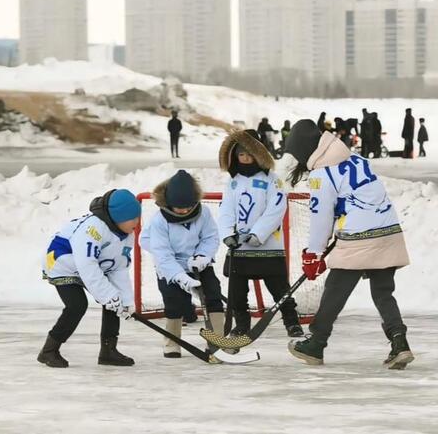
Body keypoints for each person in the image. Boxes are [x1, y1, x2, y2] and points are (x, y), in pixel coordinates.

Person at [283, 119, 414, 369]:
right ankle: (400, 342)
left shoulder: (322, 174)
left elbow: (321, 216)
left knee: (335, 291)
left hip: (358, 237)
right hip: (388, 231)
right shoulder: (356, 159)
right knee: (383, 293)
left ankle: (316, 344)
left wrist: (313, 253)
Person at [39, 189, 142, 368]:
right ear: (118, 218)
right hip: (62, 262)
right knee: (77, 305)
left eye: (137, 217)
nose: (137, 222)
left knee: (114, 300)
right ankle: (49, 351)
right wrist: (109, 296)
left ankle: (108, 351)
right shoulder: (93, 230)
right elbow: (87, 266)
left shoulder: (127, 235)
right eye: (132, 218)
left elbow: (119, 268)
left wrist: (125, 301)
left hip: (95, 265)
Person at [218, 129, 304, 338]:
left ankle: (292, 322)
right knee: (237, 292)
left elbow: (276, 209)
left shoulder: (272, 180)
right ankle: (242, 324)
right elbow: (226, 209)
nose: (245, 158)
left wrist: (258, 233)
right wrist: (227, 233)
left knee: (279, 289)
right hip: (239, 247)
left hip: (268, 246)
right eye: (241, 154)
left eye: (250, 154)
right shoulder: (233, 181)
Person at [140, 170, 225, 358]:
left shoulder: (204, 213)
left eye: (188, 206)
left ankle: (217, 342)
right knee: (175, 302)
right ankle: (172, 343)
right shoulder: (159, 221)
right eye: (180, 207)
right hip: (170, 266)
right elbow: (163, 254)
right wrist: (181, 277)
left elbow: (210, 237)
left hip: (198, 262)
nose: (185, 211)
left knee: (213, 295)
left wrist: (202, 256)